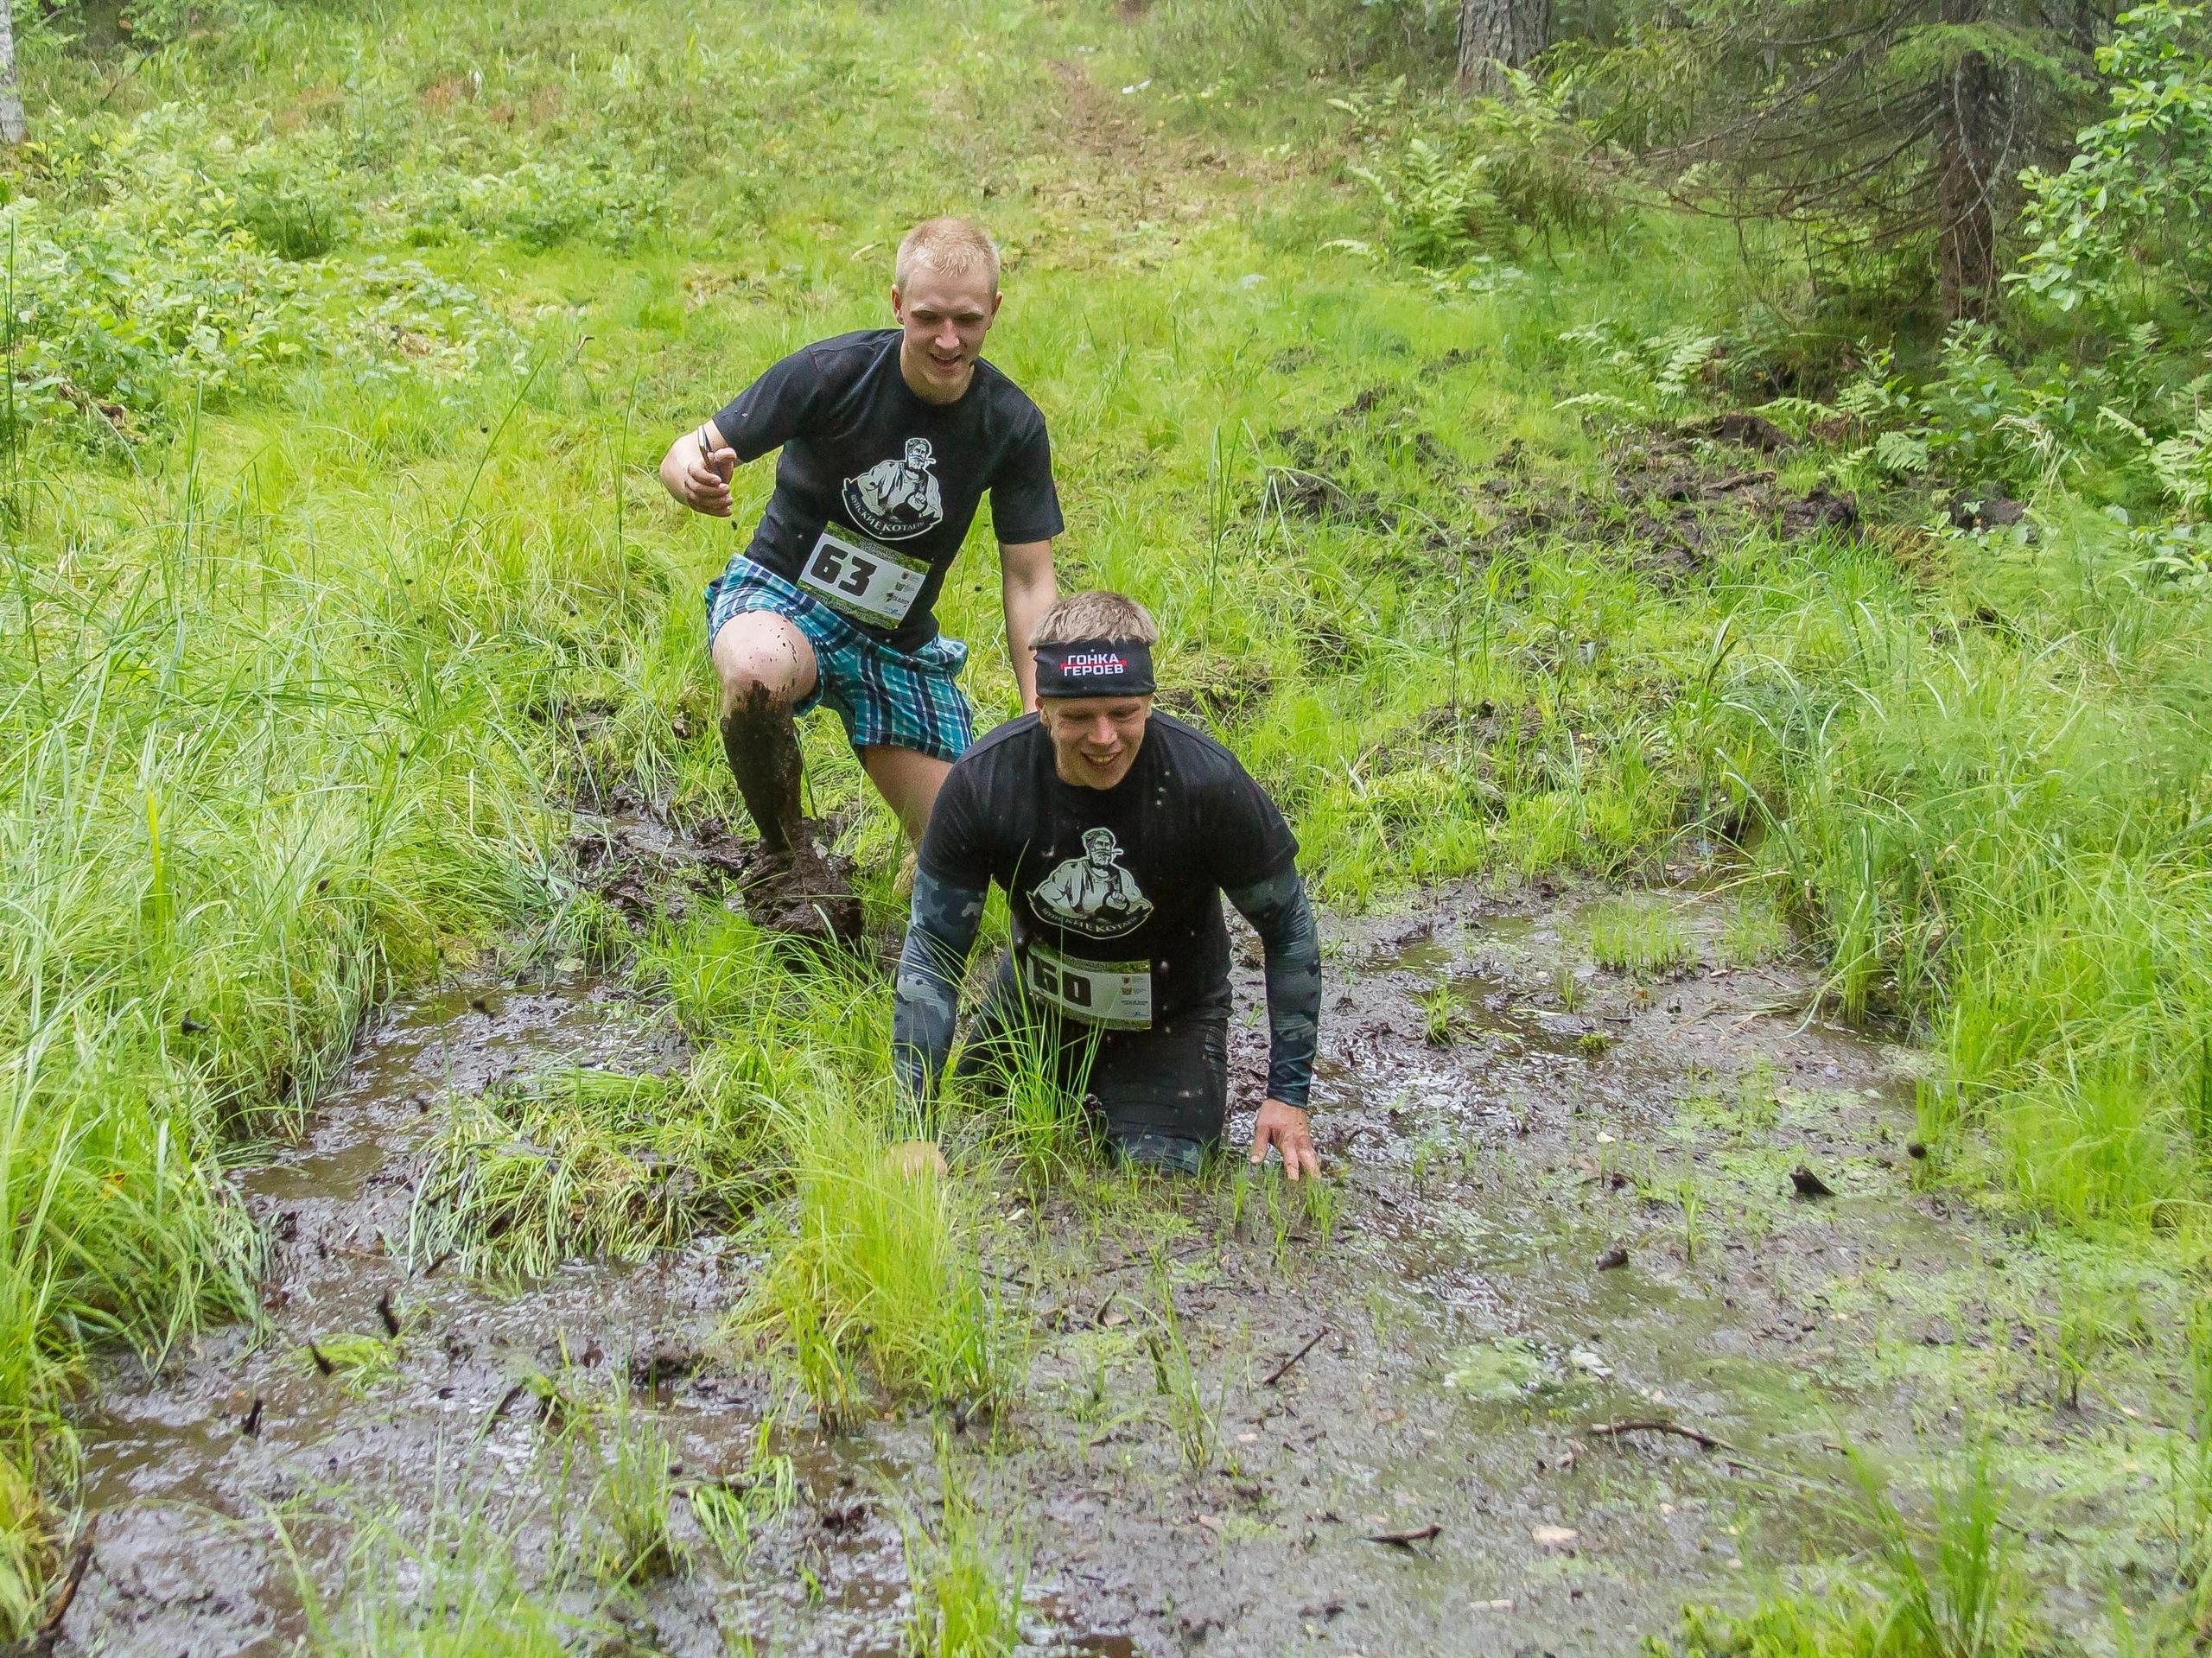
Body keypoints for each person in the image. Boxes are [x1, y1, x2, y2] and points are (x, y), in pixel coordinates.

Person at [658, 217, 1062, 936]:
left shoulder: (1011, 423)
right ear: (897, 303)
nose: (947, 340)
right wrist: (688, 474)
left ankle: (914, 869)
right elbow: (690, 447)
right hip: (784, 599)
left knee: (972, 856)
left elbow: (1030, 579)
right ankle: (787, 862)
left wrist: (1040, 709)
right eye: (929, 317)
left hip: (894, 643)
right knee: (753, 672)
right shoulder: (831, 372)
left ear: (995, 311)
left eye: (967, 320)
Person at [892, 592, 1322, 1178]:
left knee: (1157, 1186)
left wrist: (1287, 1094)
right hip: (1033, 1008)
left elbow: (1287, 926)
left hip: (1167, 1023)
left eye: (1123, 713)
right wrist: (912, 1128)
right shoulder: (984, 783)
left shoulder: (1206, 784)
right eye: (1078, 717)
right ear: (1042, 705)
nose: (1103, 738)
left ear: (1149, 699)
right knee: (977, 1148)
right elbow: (934, 954)